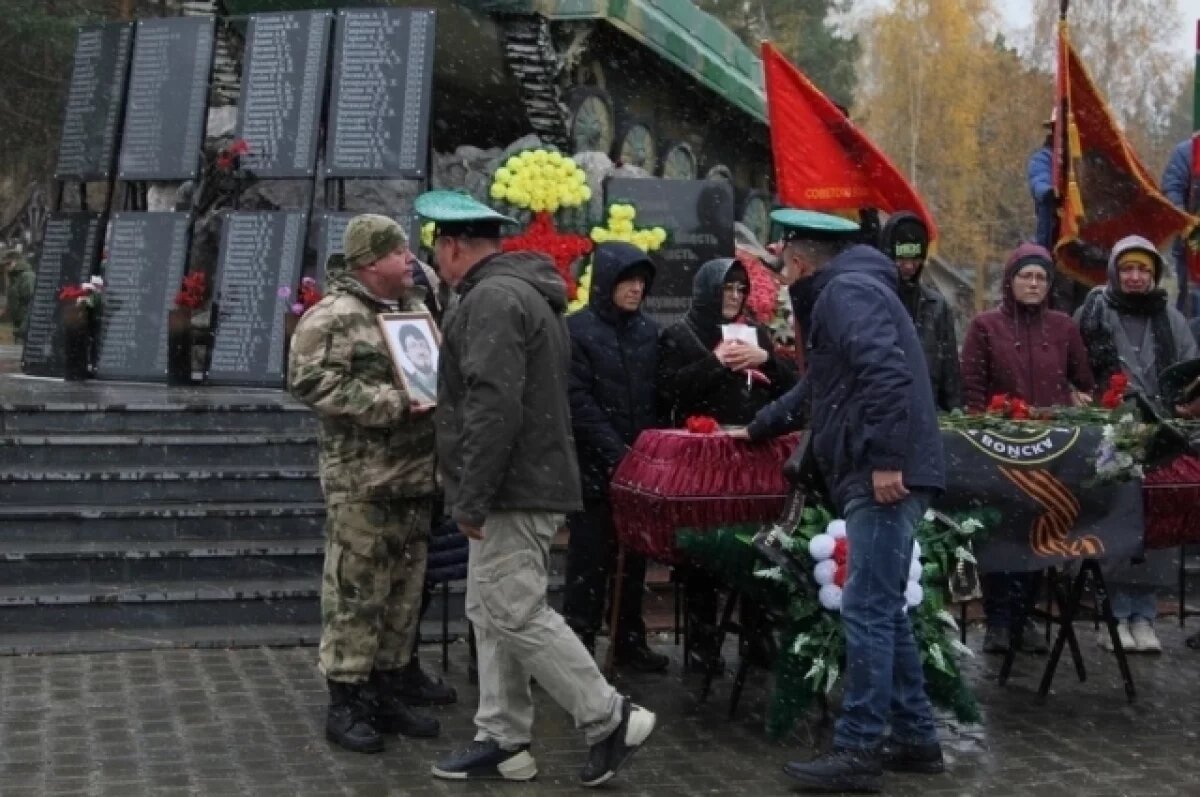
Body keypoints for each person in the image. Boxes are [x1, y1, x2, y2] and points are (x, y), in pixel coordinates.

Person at [417, 190, 655, 787]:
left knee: (516, 609)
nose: (436, 264)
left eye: (436, 250)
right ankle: (503, 739)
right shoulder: (521, 292)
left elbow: (494, 404)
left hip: (512, 486)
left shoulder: (492, 299)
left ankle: (609, 716)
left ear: (451, 247)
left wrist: (471, 494)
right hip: (526, 478)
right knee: (490, 607)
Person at [741, 208, 947, 793]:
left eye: (783, 268)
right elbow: (823, 385)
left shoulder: (841, 295)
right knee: (884, 605)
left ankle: (860, 748)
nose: (782, 279)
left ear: (802, 261)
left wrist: (885, 460)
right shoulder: (849, 289)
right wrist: (759, 426)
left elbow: (885, 374)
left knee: (867, 608)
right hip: (876, 464)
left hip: (881, 469)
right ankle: (915, 737)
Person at [288, 214, 441, 754]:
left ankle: (388, 687)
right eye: (400, 251)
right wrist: (390, 405)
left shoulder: (413, 310)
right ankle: (346, 699)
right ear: (371, 261)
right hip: (364, 481)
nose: (410, 260)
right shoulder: (332, 317)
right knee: (356, 592)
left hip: (416, 477)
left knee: (403, 592)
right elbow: (308, 379)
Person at [657, 256, 797, 672]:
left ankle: (757, 633)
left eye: (740, 290)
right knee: (705, 549)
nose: (734, 297)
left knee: (756, 544)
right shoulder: (680, 334)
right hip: (704, 455)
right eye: (726, 289)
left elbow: (791, 389)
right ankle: (703, 640)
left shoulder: (755, 333)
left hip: (752, 452)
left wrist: (766, 360)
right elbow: (668, 392)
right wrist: (714, 363)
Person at [960, 242, 1095, 654]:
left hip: (1053, 447)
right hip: (1002, 446)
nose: (1034, 284)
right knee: (1004, 531)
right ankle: (1000, 618)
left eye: (1041, 277)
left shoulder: (1063, 327)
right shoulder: (986, 326)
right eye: (1026, 276)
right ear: (1011, 281)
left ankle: (1027, 616)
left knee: (1042, 532)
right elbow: (973, 392)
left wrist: (1078, 398)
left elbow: (1084, 380)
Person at [1075, 236, 1198, 653]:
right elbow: (1077, 370)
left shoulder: (1172, 319)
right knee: (1117, 522)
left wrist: (1183, 404)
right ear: (1114, 271)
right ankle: (1114, 614)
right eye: (1127, 268)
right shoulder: (1092, 313)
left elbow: (1188, 371)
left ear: (1154, 275)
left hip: (1163, 434)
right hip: (1112, 432)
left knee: (1156, 527)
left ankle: (1144, 614)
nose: (1134, 276)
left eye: (1143, 269)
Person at [562, 241, 669, 673]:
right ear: (606, 282)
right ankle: (578, 648)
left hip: (638, 466)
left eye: (642, 282)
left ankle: (628, 640)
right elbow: (577, 400)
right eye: (628, 280)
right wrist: (615, 452)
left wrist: (649, 450)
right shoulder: (578, 331)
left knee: (634, 560)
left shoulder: (648, 332)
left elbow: (658, 395)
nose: (636, 289)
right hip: (594, 468)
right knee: (588, 561)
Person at [877, 212, 964, 411]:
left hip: (928, 412)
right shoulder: (874, 301)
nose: (908, 266)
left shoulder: (936, 305)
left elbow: (950, 373)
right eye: (901, 259)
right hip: (883, 415)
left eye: (915, 259)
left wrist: (955, 412)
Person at [1160, 135, 1196, 309]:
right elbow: (1171, 191)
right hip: (1194, 243)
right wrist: (1188, 226)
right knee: (1193, 301)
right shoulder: (1188, 152)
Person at [1027, 115, 1056, 251]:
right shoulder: (1044, 158)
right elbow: (1039, 178)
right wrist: (1047, 192)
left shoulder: (1088, 157)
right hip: (1052, 237)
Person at [398, 324, 438, 406]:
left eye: (422, 344)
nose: (420, 351)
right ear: (407, 354)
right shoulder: (409, 387)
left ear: (429, 348)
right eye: (413, 346)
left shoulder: (448, 380)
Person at [4, 248, 34, 344]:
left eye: (8, 263)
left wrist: (23, 328)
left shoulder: (27, 277)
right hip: (18, 325)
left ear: (17, 262)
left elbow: (31, 304)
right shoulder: (15, 278)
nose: (5, 267)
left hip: (26, 327)